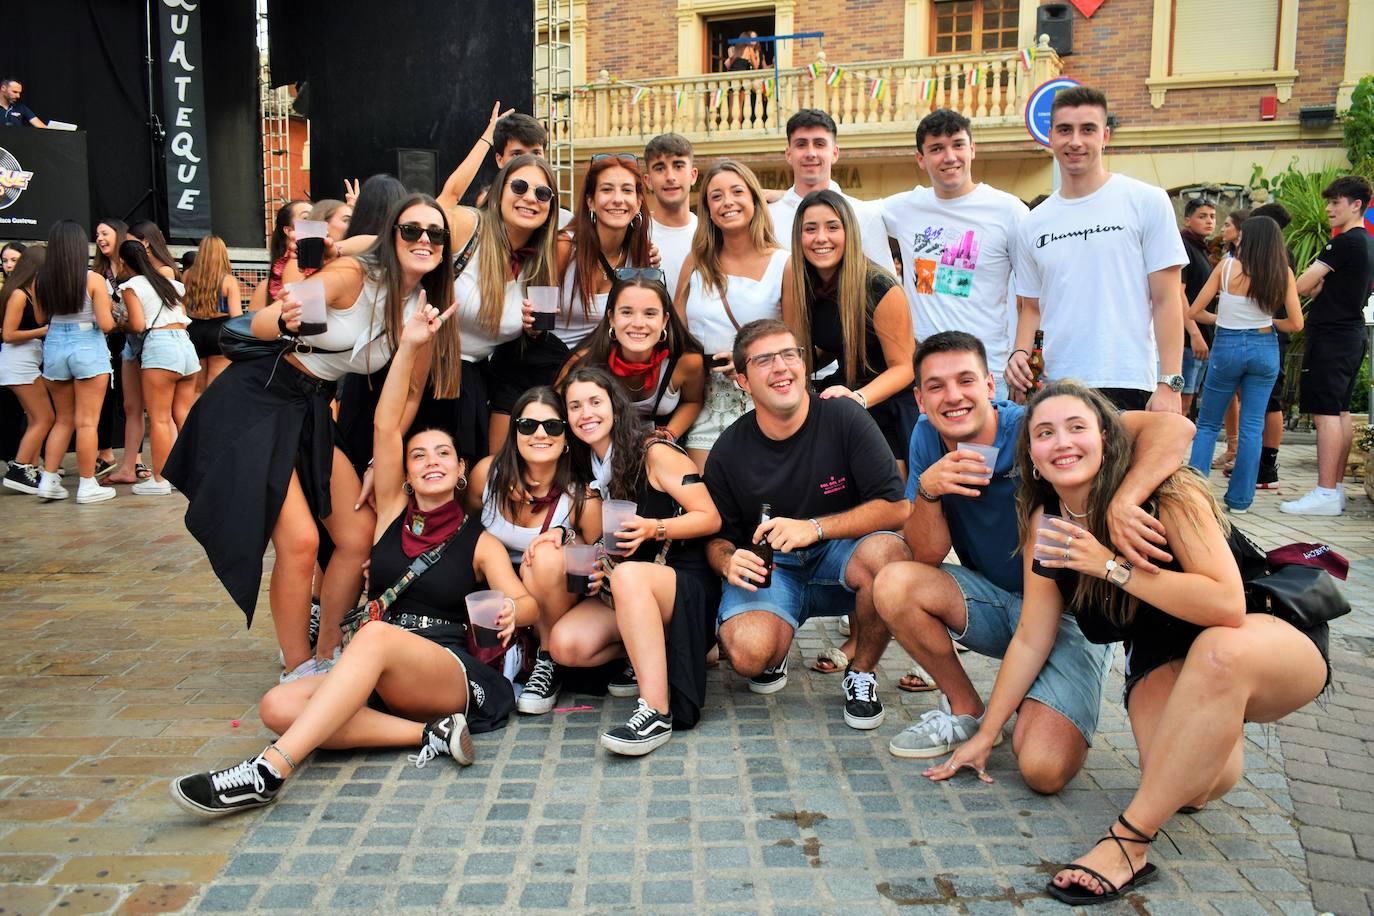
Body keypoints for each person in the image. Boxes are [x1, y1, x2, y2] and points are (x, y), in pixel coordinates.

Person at [931, 380, 1328, 906]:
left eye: (1077, 427)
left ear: (1106, 437)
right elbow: (1031, 635)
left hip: (1258, 631)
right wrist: (987, 732)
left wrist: (1110, 567)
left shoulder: (1170, 494)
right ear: (1031, 459)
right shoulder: (1046, 521)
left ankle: (1127, 845)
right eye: (1045, 434)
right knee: (1193, 792)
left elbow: (1226, 607)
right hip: (1165, 654)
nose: (1062, 442)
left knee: (1218, 654)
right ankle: (1216, 712)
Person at [170, 300, 528, 818]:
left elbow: (522, 600)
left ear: (460, 470)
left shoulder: (481, 541)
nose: (431, 462)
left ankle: (269, 771)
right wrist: (408, 346)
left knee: (377, 635)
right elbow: (386, 425)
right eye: (419, 455)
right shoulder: (390, 516)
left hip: (450, 670)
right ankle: (428, 733)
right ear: (404, 473)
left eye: (443, 455)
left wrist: (518, 611)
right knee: (279, 705)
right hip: (381, 672)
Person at [873, 331, 1194, 788]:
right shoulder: (926, 435)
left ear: (989, 386)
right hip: (1002, 600)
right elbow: (925, 554)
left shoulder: (1038, 428)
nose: (953, 397)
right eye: (937, 387)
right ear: (920, 399)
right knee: (894, 580)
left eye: (965, 380)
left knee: (1042, 768)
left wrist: (1125, 502)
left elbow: (1174, 428)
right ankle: (967, 710)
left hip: (1073, 614)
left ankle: (1046, 694)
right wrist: (929, 488)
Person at [164, 194, 460, 683]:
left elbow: (408, 394)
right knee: (301, 542)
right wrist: (283, 318)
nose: (424, 239)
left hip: (314, 408)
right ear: (393, 238)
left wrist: (377, 461)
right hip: (260, 397)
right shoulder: (354, 278)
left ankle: (329, 651)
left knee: (357, 536)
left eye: (435, 233)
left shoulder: (422, 308)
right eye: (411, 230)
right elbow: (260, 325)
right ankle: (297, 664)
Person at [705, 319, 909, 729]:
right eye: (764, 360)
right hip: (774, 567)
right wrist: (727, 562)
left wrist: (813, 527)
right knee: (747, 655)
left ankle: (862, 674)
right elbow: (716, 536)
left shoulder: (843, 417)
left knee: (888, 554)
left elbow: (896, 508)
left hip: (841, 557)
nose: (781, 366)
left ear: (803, 364)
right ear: (743, 381)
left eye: (789, 354)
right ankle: (775, 644)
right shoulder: (729, 449)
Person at [522, 366, 721, 754]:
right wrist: (567, 536)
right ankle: (649, 647)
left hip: (683, 581)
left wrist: (653, 529)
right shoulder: (589, 465)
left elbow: (709, 517)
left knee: (628, 576)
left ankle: (656, 711)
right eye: (575, 406)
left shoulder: (654, 452)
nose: (586, 414)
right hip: (633, 584)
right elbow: (600, 535)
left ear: (615, 406)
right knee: (566, 646)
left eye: (595, 402)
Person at [1006, 87, 1187, 412]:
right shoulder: (1032, 224)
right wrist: (1020, 355)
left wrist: (1170, 383)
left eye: (1087, 129)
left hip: (1128, 379)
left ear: (1104, 136)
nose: (1075, 141)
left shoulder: (1147, 201)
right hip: (1054, 384)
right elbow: (1032, 308)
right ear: (1050, 137)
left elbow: (1167, 299)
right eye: (1065, 130)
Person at [881, 109, 1027, 400]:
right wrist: (775, 196)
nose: (949, 157)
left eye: (958, 145)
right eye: (936, 149)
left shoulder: (1009, 211)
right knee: (931, 448)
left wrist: (1021, 361)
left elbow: (1031, 299)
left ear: (972, 149)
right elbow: (841, 209)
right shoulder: (905, 208)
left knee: (983, 449)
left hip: (989, 376)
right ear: (921, 158)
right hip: (927, 378)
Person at [463, 385, 600, 686]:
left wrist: (568, 537)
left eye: (552, 426)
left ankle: (546, 660)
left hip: (556, 604)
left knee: (545, 554)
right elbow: (462, 529)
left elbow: (599, 556)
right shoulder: (487, 476)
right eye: (528, 425)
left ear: (566, 439)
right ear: (514, 434)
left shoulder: (581, 499)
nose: (540, 434)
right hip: (497, 602)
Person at [783, 189, 915, 466]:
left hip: (888, 406)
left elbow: (904, 367)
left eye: (833, 227)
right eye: (810, 229)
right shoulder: (804, 284)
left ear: (849, 233)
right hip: (845, 397)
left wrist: (858, 398)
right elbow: (836, 343)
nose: (821, 238)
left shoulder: (880, 287)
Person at [448, 154, 562, 460]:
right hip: (421, 373)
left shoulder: (538, 265)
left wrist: (533, 330)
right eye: (520, 187)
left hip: (470, 389)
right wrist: (338, 249)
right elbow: (397, 233)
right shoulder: (468, 227)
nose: (530, 198)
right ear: (499, 192)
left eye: (542, 193)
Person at [676, 160, 788, 468]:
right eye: (716, 196)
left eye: (737, 191)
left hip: (764, 398)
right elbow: (675, 334)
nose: (727, 202)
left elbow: (796, 339)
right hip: (705, 401)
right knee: (707, 501)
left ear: (754, 198)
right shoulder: (695, 262)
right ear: (708, 209)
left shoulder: (784, 264)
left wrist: (746, 360)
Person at [1186, 216, 1303, 513]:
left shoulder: (1226, 268)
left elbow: (1194, 310)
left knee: (1209, 424)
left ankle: (1196, 497)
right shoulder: (1282, 273)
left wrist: (1222, 319)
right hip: (1265, 347)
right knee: (1253, 426)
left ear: (1246, 239)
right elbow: (1296, 323)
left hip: (1227, 346)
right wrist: (1268, 323)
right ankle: (1240, 501)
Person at [1283, 175, 1374, 516]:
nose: (1329, 208)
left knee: (1326, 415)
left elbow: (1304, 283)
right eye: (1329, 202)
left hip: (1332, 337)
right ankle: (1332, 489)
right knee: (1340, 411)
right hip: (1351, 336)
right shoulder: (1367, 242)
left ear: (1356, 205)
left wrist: (1315, 278)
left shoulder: (1344, 243)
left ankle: (1324, 492)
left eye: (1336, 202)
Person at [559, 273, 705, 439]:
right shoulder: (584, 363)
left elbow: (692, 401)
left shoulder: (685, 362)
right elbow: (555, 411)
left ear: (664, 320)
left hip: (658, 448)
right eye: (627, 312)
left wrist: (669, 434)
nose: (638, 323)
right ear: (611, 318)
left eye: (650, 313)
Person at [34, 221, 116, 503]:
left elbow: (40, 319)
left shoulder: (41, 280)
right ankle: (87, 484)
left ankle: (48, 479)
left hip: (55, 347)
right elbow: (105, 324)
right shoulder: (93, 279)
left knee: (63, 420)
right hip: (87, 348)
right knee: (87, 422)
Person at [116, 239, 199, 496]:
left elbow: (138, 325)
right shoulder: (171, 284)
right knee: (183, 414)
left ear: (123, 262)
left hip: (160, 348)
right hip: (186, 346)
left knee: (160, 419)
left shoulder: (131, 286)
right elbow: (183, 318)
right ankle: (190, 474)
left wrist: (121, 323)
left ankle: (160, 479)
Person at [767, 109, 893, 271]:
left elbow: (887, 287)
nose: (811, 153)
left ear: (834, 153)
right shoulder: (767, 218)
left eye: (819, 144)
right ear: (789, 154)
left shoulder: (864, 214)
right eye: (801, 144)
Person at [438, 106, 573, 229]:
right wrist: (487, 138)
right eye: (517, 154)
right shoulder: (479, 224)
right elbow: (446, 202)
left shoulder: (563, 222)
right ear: (500, 159)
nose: (527, 161)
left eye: (536, 153)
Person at [1250, 201, 1296, 489]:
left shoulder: (1271, 257)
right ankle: (1261, 465)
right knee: (1268, 402)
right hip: (1272, 335)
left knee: (1269, 403)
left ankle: (1267, 467)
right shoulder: (1283, 256)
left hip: (1269, 333)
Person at [1, 247, 53, 495]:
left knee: (36, 417)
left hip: (28, 362)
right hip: (18, 363)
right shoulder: (18, 295)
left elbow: (41, 318)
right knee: (45, 417)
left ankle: (30, 467)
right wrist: (41, 332)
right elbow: (8, 334)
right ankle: (19, 468)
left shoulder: (32, 293)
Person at [89, 219, 136, 483]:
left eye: (105, 233)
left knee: (131, 402)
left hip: (132, 338)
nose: (100, 239)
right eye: (97, 235)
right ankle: (105, 453)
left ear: (118, 235)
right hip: (105, 340)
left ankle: (136, 458)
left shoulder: (134, 269)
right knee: (105, 397)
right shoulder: (97, 272)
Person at [182, 236, 243, 390]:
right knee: (215, 385)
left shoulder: (187, 275)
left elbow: (182, 307)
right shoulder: (228, 280)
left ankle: (196, 414)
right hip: (219, 331)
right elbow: (237, 316)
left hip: (194, 329)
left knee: (196, 388)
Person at [643, 133, 699, 297]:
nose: (670, 177)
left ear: (693, 175)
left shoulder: (709, 234)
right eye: (660, 168)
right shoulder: (635, 234)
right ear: (648, 181)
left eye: (678, 166)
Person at [1178, 199, 1216, 417]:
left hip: (1202, 337)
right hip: (1187, 339)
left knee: (1188, 403)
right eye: (1202, 216)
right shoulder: (1184, 246)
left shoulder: (1201, 248)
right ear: (1187, 220)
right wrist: (1194, 333)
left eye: (1212, 216)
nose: (1209, 221)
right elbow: (1178, 292)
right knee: (1181, 404)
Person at [247, 200, 311, 312]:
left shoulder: (329, 270)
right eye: (306, 218)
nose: (315, 222)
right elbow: (252, 327)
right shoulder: (264, 289)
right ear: (288, 230)